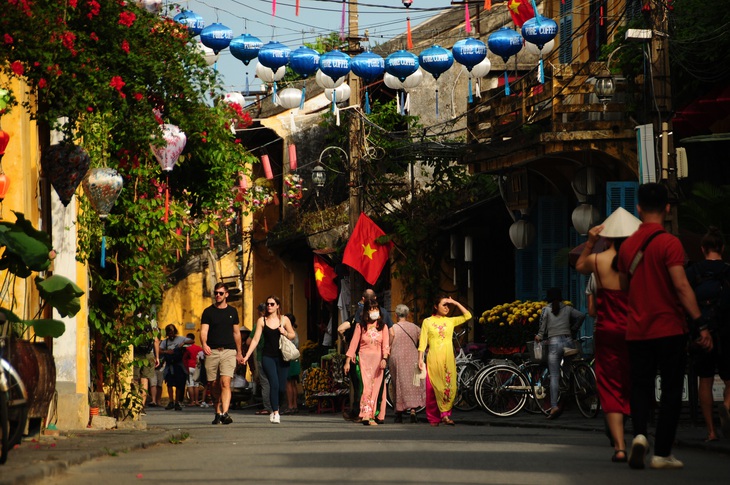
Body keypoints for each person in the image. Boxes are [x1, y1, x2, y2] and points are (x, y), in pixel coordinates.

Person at [617, 182, 712, 470]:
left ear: (639, 209)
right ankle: (662, 453)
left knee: (640, 385)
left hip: (637, 329)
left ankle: (641, 435)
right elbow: (682, 287)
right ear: (667, 208)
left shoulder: (627, 246)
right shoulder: (670, 243)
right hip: (669, 327)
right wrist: (701, 324)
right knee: (670, 389)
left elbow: (624, 288)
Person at [576, 207, 641, 461]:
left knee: (610, 385)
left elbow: (580, 264)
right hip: (635, 330)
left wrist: (591, 241)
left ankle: (619, 447)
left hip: (607, 331)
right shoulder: (638, 260)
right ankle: (640, 434)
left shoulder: (598, 260)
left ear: (610, 237)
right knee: (634, 381)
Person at [685, 226, 730, 442]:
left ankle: (711, 431)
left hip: (702, 333)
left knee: (705, 380)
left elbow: (683, 299)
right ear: (722, 247)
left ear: (703, 249)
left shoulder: (693, 272)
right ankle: (728, 405)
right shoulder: (728, 271)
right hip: (726, 330)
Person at [418, 295, 472, 426]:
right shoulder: (428, 321)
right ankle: (433, 418)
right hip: (433, 358)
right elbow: (423, 341)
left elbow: (468, 316)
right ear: (436, 306)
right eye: (444, 305)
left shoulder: (450, 321)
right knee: (433, 388)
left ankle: (446, 415)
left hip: (448, 358)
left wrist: (454, 302)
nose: (447, 308)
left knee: (449, 386)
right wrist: (420, 359)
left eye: (448, 306)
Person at [243, 296, 296, 424]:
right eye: (268, 304)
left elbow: (292, 335)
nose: (269, 306)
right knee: (274, 384)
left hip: (282, 357)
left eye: (272, 304)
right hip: (267, 357)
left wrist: (284, 332)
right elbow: (255, 340)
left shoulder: (284, 319)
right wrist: (246, 356)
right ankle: (275, 412)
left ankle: (276, 406)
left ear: (278, 306)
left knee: (281, 387)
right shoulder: (262, 321)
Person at [535, 288, 585, 420]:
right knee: (567, 371)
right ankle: (569, 392)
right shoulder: (568, 309)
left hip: (554, 343)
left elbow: (542, 328)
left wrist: (539, 336)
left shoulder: (546, 310)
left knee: (555, 376)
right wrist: (574, 329)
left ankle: (554, 406)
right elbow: (581, 316)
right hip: (568, 342)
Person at [200, 282, 245, 425]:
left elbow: (236, 333)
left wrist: (239, 352)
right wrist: (204, 345)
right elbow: (204, 331)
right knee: (213, 384)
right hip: (212, 351)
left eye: (220, 293)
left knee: (225, 382)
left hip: (229, 351)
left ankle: (225, 413)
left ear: (226, 294)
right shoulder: (208, 312)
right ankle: (217, 412)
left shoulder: (232, 312)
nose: (217, 296)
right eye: (216, 293)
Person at [344, 298, 390, 425]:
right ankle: (366, 415)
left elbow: (386, 345)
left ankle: (374, 414)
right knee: (365, 388)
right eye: (371, 309)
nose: (374, 312)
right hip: (363, 361)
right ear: (366, 312)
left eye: (376, 309)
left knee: (376, 389)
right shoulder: (361, 327)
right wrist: (347, 361)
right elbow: (353, 344)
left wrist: (385, 359)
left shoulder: (383, 327)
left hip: (378, 362)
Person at [389, 304, 425, 423]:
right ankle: (413, 410)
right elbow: (422, 341)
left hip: (397, 358)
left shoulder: (393, 328)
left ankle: (399, 413)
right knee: (414, 383)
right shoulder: (415, 327)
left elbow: (389, 344)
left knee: (398, 383)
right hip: (413, 357)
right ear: (408, 314)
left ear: (396, 315)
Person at [247, 302, 272, 416]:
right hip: (274, 357)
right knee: (273, 382)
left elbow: (249, 341)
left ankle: (267, 407)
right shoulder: (275, 322)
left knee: (265, 382)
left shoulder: (259, 324)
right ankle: (276, 405)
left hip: (262, 356)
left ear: (261, 312)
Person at [159, 324, 189, 411]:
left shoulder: (180, 339)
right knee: (169, 384)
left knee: (179, 384)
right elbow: (159, 350)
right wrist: (166, 351)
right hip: (169, 365)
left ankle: (177, 402)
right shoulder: (165, 342)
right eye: (169, 333)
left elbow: (191, 341)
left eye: (172, 333)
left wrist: (183, 343)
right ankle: (171, 401)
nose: (171, 335)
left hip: (178, 364)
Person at [133, 318, 159, 414]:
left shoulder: (133, 320)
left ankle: (135, 403)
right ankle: (142, 405)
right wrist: (157, 357)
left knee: (135, 379)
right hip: (148, 354)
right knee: (145, 379)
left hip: (136, 354)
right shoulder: (152, 322)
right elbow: (156, 340)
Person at [284, 313, 301, 415]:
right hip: (295, 359)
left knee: (289, 384)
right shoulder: (295, 333)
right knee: (293, 384)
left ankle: (290, 406)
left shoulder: (289, 334)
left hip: (289, 359)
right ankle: (294, 405)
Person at [183, 333, 203, 407]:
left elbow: (184, 359)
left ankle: (192, 401)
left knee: (190, 385)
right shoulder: (199, 348)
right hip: (197, 367)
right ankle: (197, 401)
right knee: (196, 385)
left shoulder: (187, 349)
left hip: (189, 367)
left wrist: (185, 368)